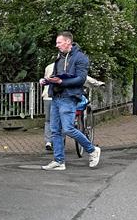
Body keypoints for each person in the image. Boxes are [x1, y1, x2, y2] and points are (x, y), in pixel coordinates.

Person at [40, 31, 101, 170]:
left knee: (67, 129)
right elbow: (57, 76)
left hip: (69, 97)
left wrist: (61, 81)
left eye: (59, 42)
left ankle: (92, 150)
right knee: (55, 130)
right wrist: (47, 81)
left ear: (68, 42)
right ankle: (59, 161)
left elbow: (80, 79)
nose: (57, 45)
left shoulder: (81, 58)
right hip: (56, 97)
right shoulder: (59, 58)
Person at [41, 61, 55, 150]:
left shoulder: (48, 66)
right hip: (57, 96)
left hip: (47, 95)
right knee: (59, 119)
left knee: (48, 120)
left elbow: (45, 79)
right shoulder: (66, 67)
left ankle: (48, 141)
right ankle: (59, 139)